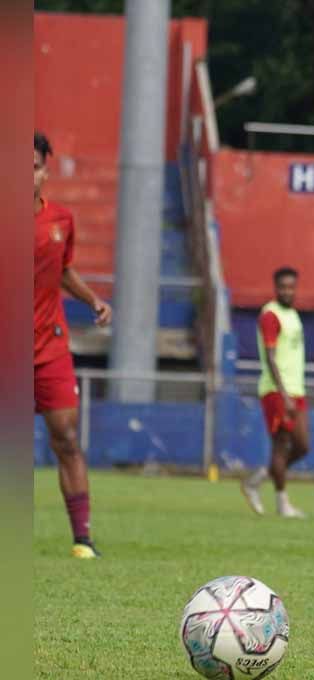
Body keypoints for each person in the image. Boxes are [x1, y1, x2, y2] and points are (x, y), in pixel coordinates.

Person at [34, 131, 113, 559]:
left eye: (32, 167)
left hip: (49, 347)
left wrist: (93, 300)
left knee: (65, 438)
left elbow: (62, 271)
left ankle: (82, 537)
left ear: (45, 172)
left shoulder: (60, 221)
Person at [242, 267, 310, 518]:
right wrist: (284, 395)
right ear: (275, 287)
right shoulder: (270, 315)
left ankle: (257, 480)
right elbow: (270, 358)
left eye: (291, 287)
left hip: (296, 390)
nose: (287, 291)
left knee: (303, 446)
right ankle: (283, 504)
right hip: (277, 391)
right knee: (281, 446)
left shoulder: (292, 314)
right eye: (283, 287)